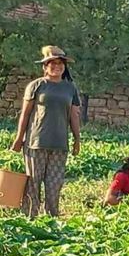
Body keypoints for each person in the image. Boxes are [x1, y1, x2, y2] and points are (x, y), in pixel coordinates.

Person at [9, 46, 81, 218]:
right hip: (36, 142)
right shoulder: (36, 86)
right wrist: (19, 138)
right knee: (33, 182)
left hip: (59, 144)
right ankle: (30, 217)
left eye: (60, 63)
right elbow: (25, 114)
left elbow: (74, 116)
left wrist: (77, 139)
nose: (57, 66)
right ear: (45, 66)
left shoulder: (70, 88)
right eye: (53, 63)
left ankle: (52, 219)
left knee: (54, 184)